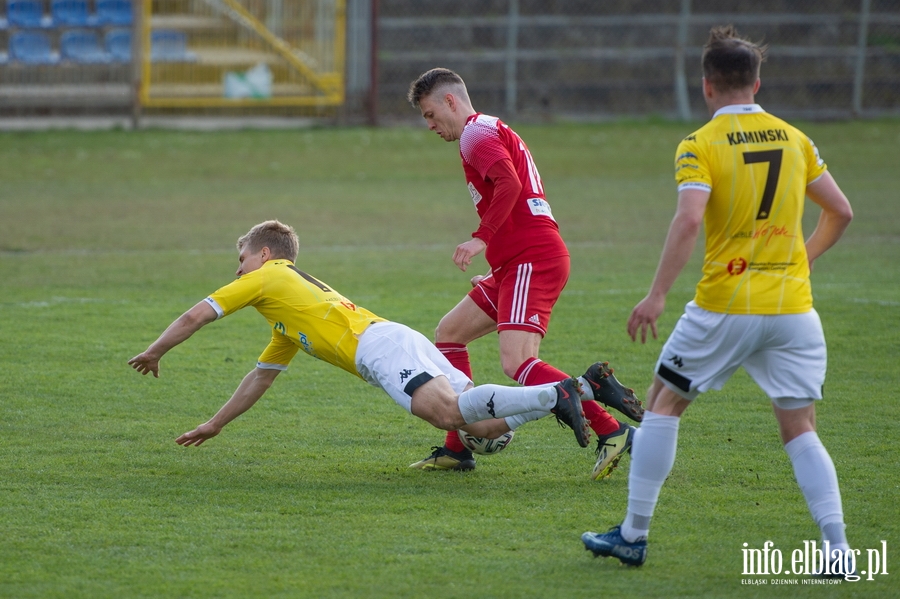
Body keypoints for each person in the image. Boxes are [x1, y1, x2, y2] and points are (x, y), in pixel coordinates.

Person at [581, 26, 855, 575]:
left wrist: (657, 294)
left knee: (662, 404)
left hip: (725, 304)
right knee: (800, 427)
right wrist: (797, 260)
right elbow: (840, 212)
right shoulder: (796, 139)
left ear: (706, 86)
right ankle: (838, 550)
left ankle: (633, 535)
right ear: (757, 82)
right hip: (793, 310)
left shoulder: (700, 144)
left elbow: (688, 218)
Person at [128, 220, 593, 454]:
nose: (238, 269)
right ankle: (578, 390)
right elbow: (261, 377)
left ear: (265, 253)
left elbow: (195, 317)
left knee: (447, 416)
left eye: (242, 259)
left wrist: (154, 351)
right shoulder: (287, 314)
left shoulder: (268, 276)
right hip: (393, 338)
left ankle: (557, 394)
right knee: (482, 428)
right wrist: (216, 424)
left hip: (379, 349)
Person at [406, 67, 644, 480]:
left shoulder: (473, 134)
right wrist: (496, 265)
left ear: (450, 101)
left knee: (517, 362)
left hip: (530, 260)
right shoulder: (488, 129)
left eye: (429, 114)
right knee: (450, 332)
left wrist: (481, 239)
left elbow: (509, 184)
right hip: (515, 262)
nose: (429, 125)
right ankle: (458, 448)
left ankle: (612, 429)